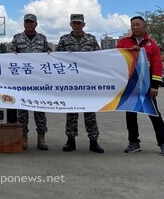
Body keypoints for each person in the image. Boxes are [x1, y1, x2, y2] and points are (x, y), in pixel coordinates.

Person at [117, 16, 164, 156]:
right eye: (132, 25)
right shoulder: (123, 42)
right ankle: (134, 143)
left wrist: (155, 86)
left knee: (154, 114)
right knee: (130, 114)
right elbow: (115, 59)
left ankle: (163, 144)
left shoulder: (151, 45)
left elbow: (157, 65)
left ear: (144, 26)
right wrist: (130, 52)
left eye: (137, 25)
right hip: (130, 86)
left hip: (147, 87)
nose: (135, 27)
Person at [56, 14, 104, 153]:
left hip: (88, 82)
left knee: (90, 112)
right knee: (71, 112)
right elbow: (57, 58)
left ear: (84, 24)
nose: (77, 25)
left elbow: (100, 58)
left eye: (79, 23)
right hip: (71, 82)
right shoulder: (64, 40)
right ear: (70, 24)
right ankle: (70, 140)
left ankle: (93, 141)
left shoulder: (91, 39)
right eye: (74, 23)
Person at [11, 13, 50, 150]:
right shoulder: (17, 38)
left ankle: (41, 138)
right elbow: (9, 56)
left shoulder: (42, 38)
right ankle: (23, 138)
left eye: (31, 22)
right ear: (23, 24)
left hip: (38, 81)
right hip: (22, 81)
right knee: (22, 111)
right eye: (26, 22)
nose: (29, 24)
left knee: (40, 110)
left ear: (36, 24)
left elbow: (49, 55)